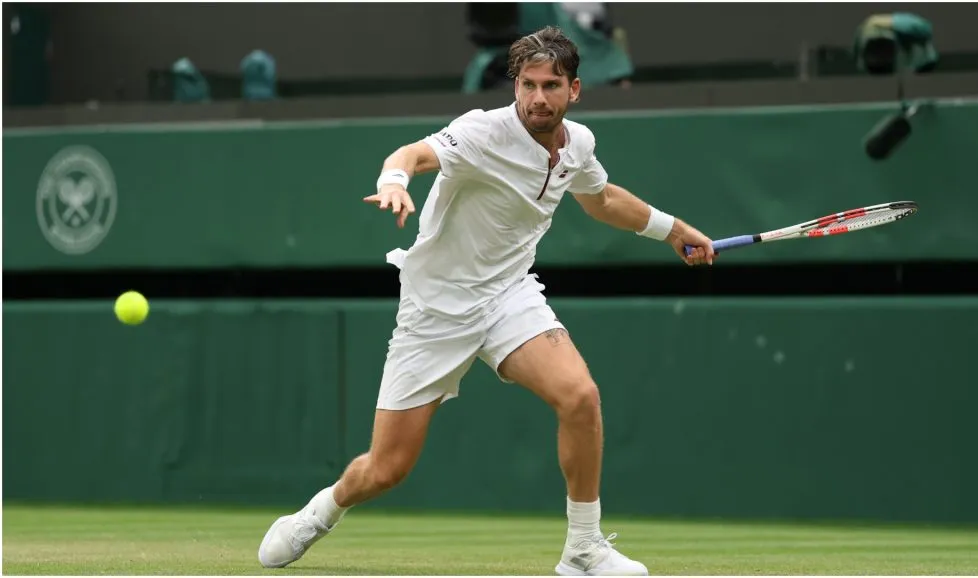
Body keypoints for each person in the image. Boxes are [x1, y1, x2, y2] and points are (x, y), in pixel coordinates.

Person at [257, 25, 716, 576]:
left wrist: (673, 230)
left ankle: (583, 550)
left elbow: (602, 199)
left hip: (508, 295)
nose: (537, 97)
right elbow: (414, 154)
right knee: (386, 469)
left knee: (580, 397)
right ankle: (319, 514)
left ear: (574, 90)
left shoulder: (578, 144)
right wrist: (395, 179)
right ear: (515, 85)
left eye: (551, 85)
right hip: (435, 310)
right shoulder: (481, 132)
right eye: (528, 85)